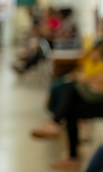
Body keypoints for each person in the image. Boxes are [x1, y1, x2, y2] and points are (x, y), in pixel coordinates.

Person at [31, 41, 103, 170]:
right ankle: (71, 155)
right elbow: (83, 76)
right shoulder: (92, 61)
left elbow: (91, 80)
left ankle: (55, 123)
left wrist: (86, 79)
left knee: (71, 93)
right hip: (95, 97)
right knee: (70, 105)